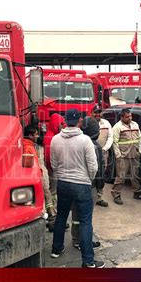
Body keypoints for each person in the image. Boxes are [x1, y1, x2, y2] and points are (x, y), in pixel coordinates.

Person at [50, 109, 104, 268]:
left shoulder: (55, 139)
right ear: (79, 121)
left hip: (63, 183)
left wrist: (62, 176)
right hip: (81, 184)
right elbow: (93, 166)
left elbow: (54, 164)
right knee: (85, 222)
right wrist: (87, 179)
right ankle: (88, 261)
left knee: (61, 217)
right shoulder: (85, 140)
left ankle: (56, 249)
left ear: (65, 121)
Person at [71, 116, 103, 251]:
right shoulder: (95, 146)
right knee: (86, 217)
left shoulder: (73, 142)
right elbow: (97, 169)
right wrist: (99, 185)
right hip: (88, 186)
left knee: (76, 215)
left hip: (73, 183)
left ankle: (77, 239)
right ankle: (84, 242)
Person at [23, 126, 56, 231]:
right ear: (30, 135)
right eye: (35, 134)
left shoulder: (29, 146)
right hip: (37, 177)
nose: (37, 136)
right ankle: (51, 219)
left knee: (47, 196)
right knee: (45, 196)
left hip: (38, 176)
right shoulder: (28, 147)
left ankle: (51, 217)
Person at [112, 108, 141, 205]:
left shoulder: (135, 125)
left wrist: (140, 150)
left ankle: (137, 193)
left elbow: (140, 138)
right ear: (122, 117)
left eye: (130, 116)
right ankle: (116, 194)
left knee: (135, 175)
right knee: (121, 177)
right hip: (123, 156)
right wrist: (118, 155)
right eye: (127, 117)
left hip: (134, 154)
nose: (129, 118)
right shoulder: (117, 127)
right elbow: (115, 142)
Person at [44, 113, 66, 210]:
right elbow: (49, 157)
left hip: (54, 169)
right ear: (56, 124)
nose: (62, 126)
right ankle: (53, 211)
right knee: (53, 191)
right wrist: (55, 170)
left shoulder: (52, 135)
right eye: (61, 124)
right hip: (53, 170)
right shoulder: (50, 137)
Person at [92, 105, 112, 207]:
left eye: (99, 112)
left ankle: (99, 197)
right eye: (95, 112)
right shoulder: (88, 123)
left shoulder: (106, 123)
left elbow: (110, 137)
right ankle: (90, 197)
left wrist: (104, 149)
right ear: (91, 113)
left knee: (101, 175)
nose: (97, 114)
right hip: (90, 153)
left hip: (103, 153)